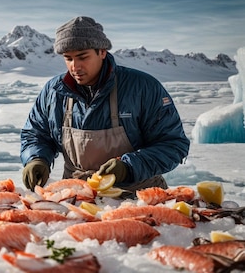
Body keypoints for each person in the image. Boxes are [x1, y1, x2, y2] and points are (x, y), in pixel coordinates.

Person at [20, 16, 189, 192]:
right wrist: (36, 158)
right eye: (68, 58)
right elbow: (36, 133)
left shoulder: (142, 87)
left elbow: (173, 144)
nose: (74, 66)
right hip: (77, 195)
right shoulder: (54, 91)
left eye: (82, 57)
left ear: (102, 52)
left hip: (140, 195)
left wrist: (128, 167)